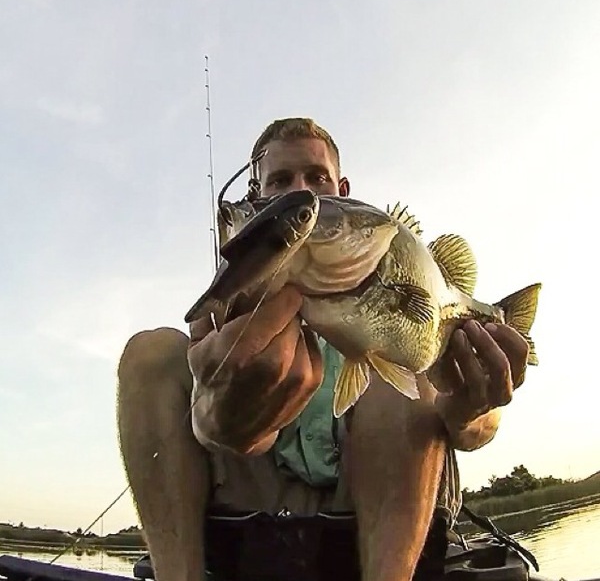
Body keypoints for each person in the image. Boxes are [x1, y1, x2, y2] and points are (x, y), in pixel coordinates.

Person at [117, 118, 531, 581]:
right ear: (258, 199)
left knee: (401, 377)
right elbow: (217, 423)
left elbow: (474, 431)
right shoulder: (229, 308)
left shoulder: (397, 279)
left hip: (383, 513)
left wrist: (471, 409)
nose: (300, 194)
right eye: (279, 182)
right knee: (149, 352)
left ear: (343, 192)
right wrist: (217, 419)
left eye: (316, 179)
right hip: (254, 511)